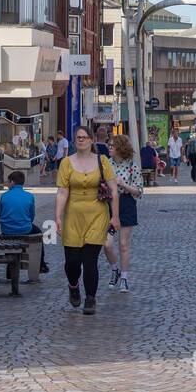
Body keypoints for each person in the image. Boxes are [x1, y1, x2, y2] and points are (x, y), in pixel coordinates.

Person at [55, 126, 117, 315]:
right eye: (78, 137)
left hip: (97, 214)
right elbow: (62, 191)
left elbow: (114, 190)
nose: (81, 140)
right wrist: (57, 216)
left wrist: (115, 216)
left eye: (84, 137)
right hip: (73, 215)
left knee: (89, 260)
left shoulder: (102, 161)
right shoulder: (66, 163)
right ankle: (73, 285)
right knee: (72, 261)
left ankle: (90, 298)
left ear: (91, 140)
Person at [104, 133, 141, 293]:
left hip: (127, 204)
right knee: (107, 244)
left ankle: (124, 278)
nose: (109, 148)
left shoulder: (132, 165)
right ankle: (115, 269)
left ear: (120, 148)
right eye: (109, 145)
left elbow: (139, 191)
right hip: (109, 204)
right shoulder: (106, 164)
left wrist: (123, 184)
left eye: (112, 146)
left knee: (124, 244)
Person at [0, 169, 49, 274]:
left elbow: (0, 214)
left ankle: (10, 268)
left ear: (12, 182)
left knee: (10, 240)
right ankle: (41, 264)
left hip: (7, 230)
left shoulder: (4, 196)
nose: (7, 184)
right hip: (25, 229)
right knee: (39, 234)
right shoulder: (29, 196)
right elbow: (31, 215)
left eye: (8, 182)